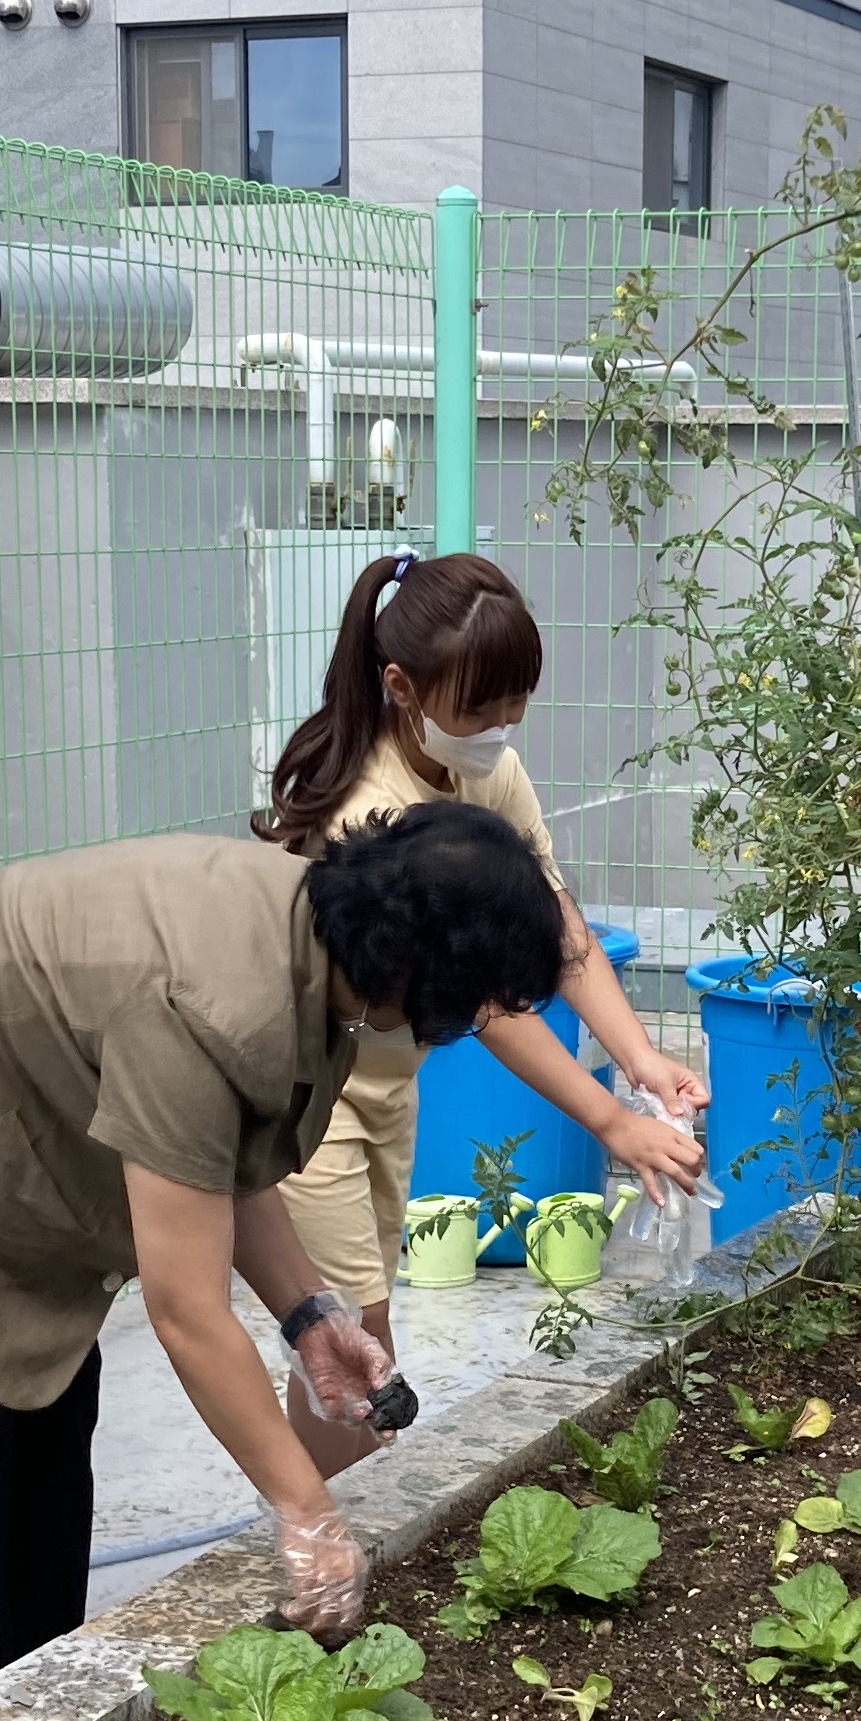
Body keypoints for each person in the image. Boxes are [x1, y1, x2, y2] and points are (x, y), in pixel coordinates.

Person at [0, 800, 568, 1721]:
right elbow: (187, 1312)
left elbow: (214, 1152)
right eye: (461, 1007)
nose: (453, 1030)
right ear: (411, 972)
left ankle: (28, 1715)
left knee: (39, 1394)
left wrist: (308, 1315)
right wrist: (307, 1513)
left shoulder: (317, 933)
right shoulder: (208, 998)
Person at [255, 551, 707, 1468]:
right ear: (401, 686)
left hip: (387, 1082)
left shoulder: (486, 771)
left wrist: (640, 1059)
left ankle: (333, 1515)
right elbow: (489, 1003)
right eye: (482, 705)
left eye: (516, 701)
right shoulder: (367, 811)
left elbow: (556, 924)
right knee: (356, 1340)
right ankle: (331, 1528)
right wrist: (610, 1120)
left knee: (356, 1326)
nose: (504, 725)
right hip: (309, 1096)